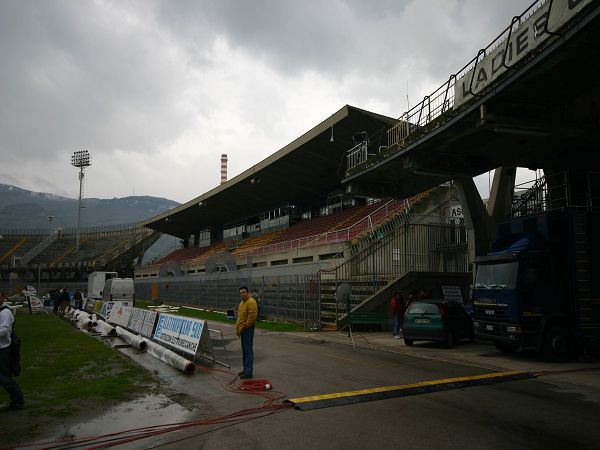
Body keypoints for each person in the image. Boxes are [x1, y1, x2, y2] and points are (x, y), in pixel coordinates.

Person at [0, 291, 25, 410]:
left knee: (5, 377)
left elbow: (4, 330)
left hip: (2, 349)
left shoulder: (5, 312)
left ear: (3, 297)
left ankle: (17, 400)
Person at [236, 286, 258, 379]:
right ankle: (245, 369)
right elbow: (240, 316)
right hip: (243, 329)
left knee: (248, 350)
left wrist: (245, 326)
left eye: (244, 292)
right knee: (245, 350)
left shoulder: (251, 302)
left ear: (248, 292)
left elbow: (252, 317)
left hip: (248, 329)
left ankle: (248, 372)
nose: (242, 294)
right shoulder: (242, 303)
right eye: (241, 293)